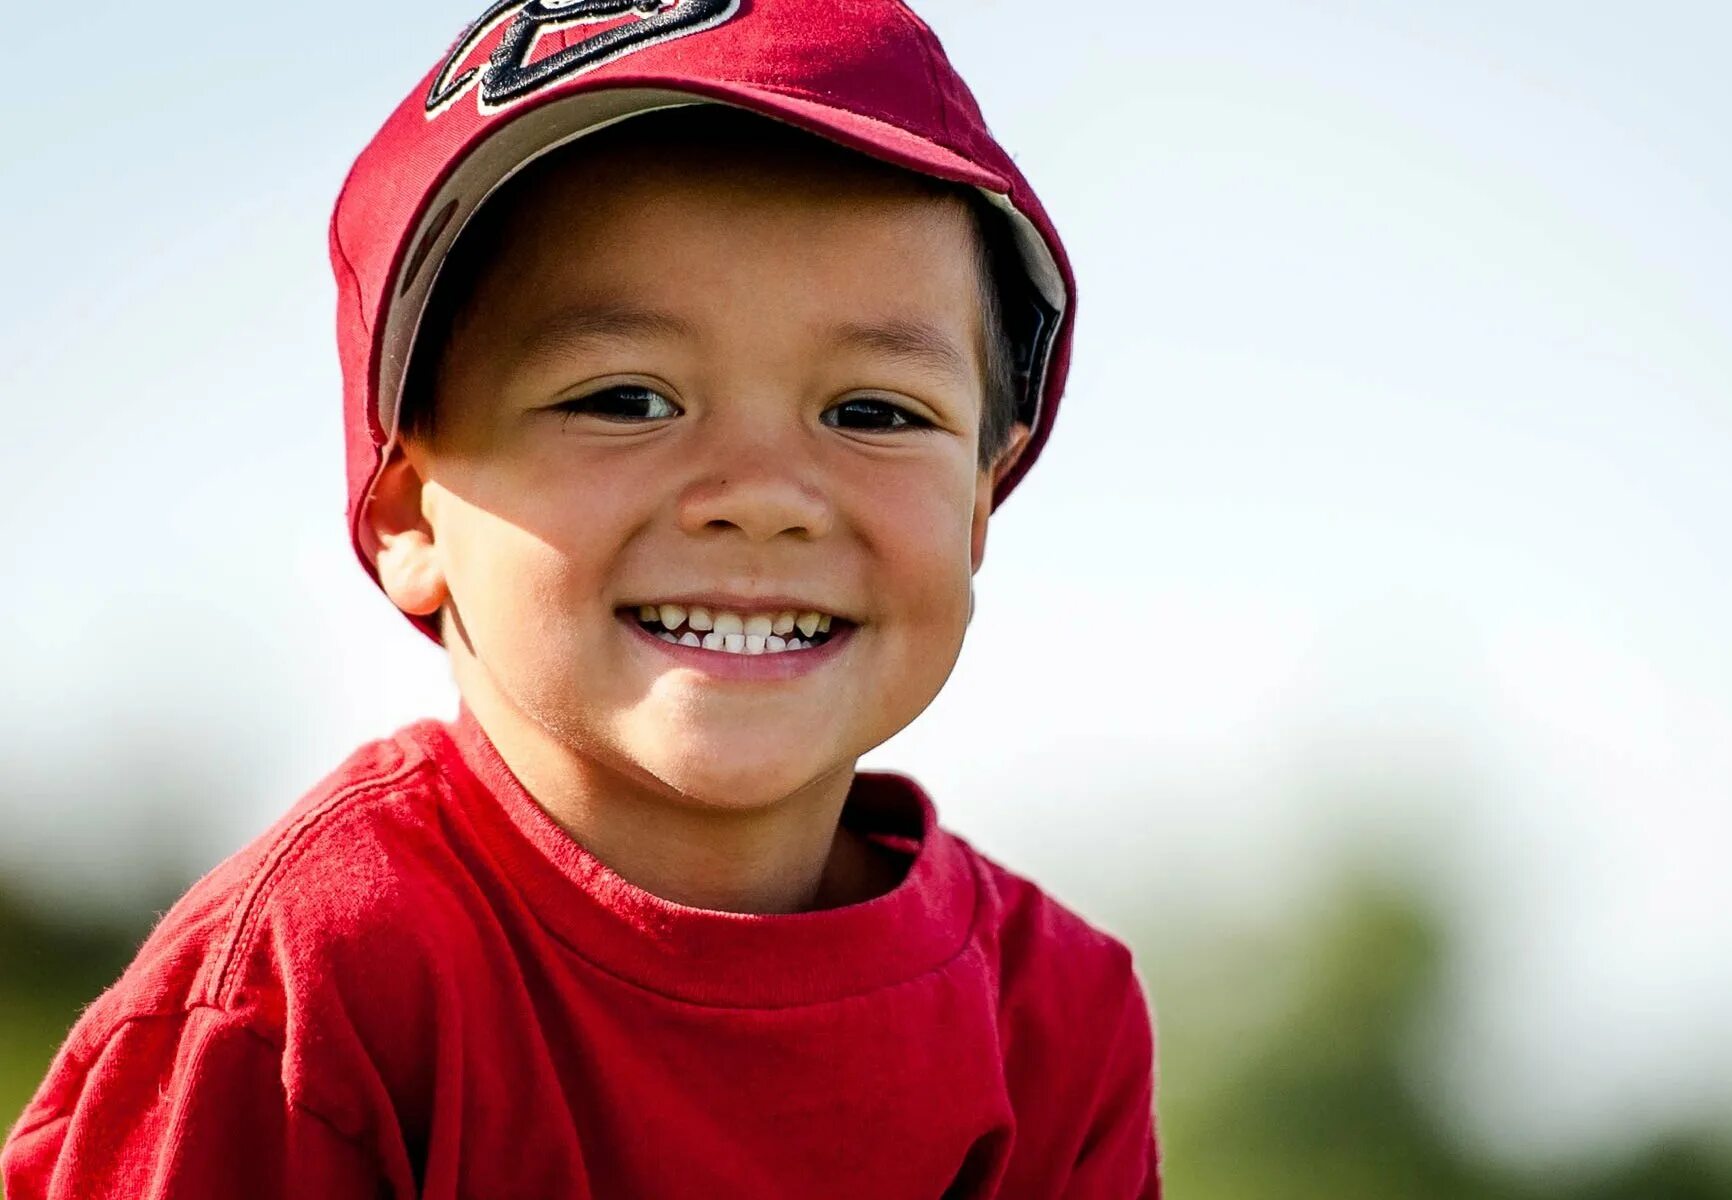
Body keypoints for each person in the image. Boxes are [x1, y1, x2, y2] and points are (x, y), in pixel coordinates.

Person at [1, 2, 1160, 1196]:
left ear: (978, 512)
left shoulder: (1057, 1021)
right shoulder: (310, 987)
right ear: (408, 514)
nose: (763, 498)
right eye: (624, 400)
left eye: (874, 412)